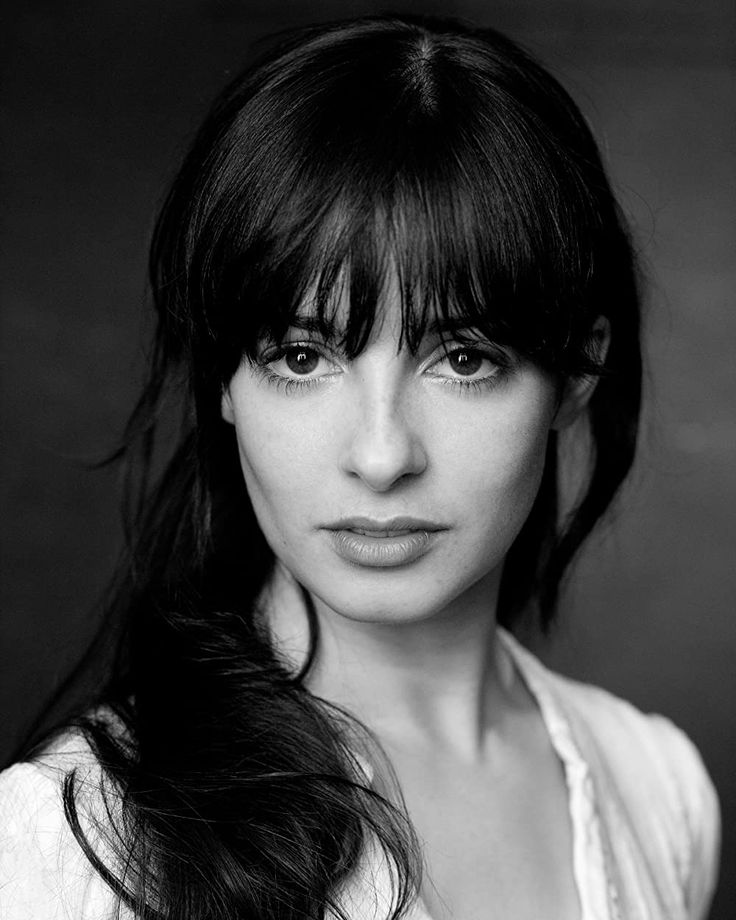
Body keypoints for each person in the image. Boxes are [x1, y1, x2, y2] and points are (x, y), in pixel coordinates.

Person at [0, 13, 720, 920]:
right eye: (303, 356)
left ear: (576, 371)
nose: (381, 456)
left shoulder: (660, 788)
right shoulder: (74, 843)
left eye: (463, 358)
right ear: (223, 378)